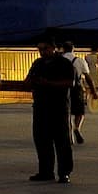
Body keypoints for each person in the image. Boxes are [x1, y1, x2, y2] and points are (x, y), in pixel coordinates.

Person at [24, 37, 78, 183]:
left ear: (53, 48)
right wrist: (31, 82)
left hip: (59, 107)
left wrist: (48, 83)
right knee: (42, 140)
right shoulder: (38, 64)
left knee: (62, 141)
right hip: (40, 107)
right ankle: (45, 171)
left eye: (45, 49)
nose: (42, 52)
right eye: (40, 49)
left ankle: (64, 172)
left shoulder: (64, 63)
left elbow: (70, 82)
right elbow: (27, 81)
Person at [65, 42, 93, 144]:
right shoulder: (80, 61)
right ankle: (77, 128)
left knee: (65, 112)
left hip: (62, 88)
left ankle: (69, 133)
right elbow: (88, 77)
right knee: (79, 112)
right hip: (77, 88)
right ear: (73, 49)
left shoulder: (59, 60)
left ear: (63, 49)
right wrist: (94, 91)